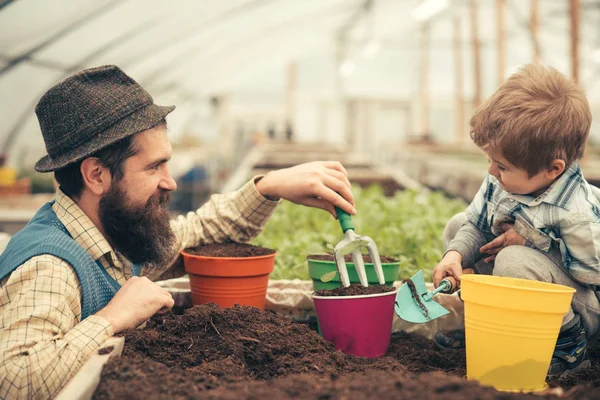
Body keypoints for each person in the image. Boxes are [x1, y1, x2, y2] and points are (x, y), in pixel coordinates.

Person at [0, 65, 356, 399]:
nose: (169, 181)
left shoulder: (114, 235)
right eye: (154, 166)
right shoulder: (50, 267)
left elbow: (198, 232)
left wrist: (268, 187)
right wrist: (112, 318)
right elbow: (15, 379)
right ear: (96, 175)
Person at [431, 64, 600, 377]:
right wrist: (455, 256)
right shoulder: (503, 178)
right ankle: (488, 326)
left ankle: (570, 346)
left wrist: (532, 243)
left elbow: (592, 278)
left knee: (514, 259)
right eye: (491, 161)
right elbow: (478, 226)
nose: (492, 172)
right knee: (458, 226)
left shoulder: (576, 212)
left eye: (502, 166)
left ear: (553, 169)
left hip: (584, 306)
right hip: (532, 279)